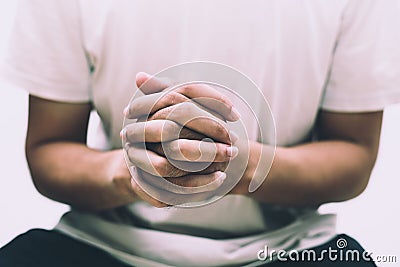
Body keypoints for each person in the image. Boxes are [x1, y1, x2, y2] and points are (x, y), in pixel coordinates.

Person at [1, 0, 400, 266]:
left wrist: (236, 165)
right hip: (104, 241)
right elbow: (48, 150)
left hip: (291, 247)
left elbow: (354, 156)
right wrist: (129, 173)